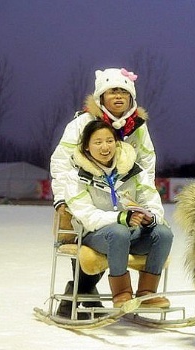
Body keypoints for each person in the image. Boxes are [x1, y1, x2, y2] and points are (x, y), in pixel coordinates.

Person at [50, 67, 157, 318]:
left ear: (131, 98)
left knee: (115, 240)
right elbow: (61, 160)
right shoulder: (83, 122)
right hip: (85, 194)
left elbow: (147, 162)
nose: (118, 97)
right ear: (101, 97)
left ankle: (80, 297)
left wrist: (145, 198)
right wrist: (64, 199)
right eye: (112, 92)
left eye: (123, 92)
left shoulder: (138, 128)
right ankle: (80, 295)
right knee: (92, 244)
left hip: (123, 199)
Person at [62, 120, 173, 308]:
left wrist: (150, 218)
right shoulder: (76, 177)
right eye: (97, 142)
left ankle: (147, 293)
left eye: (109, 141)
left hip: (130, 233)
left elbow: (152, 201)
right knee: (118, 232)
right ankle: (122, 294)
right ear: (87, 147)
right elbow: (87, 216)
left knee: (163, 233)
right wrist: (121, 218)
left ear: (117, 143)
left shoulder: (134, 171)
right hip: (94, 235)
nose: (105, 147)